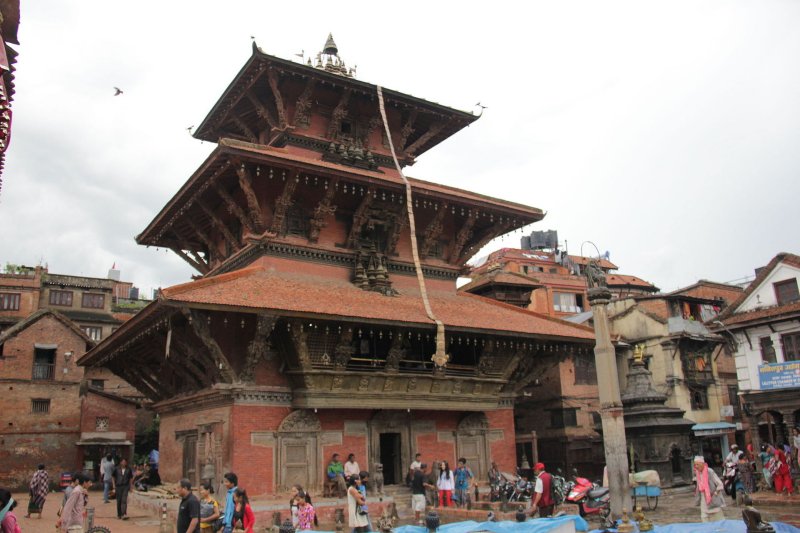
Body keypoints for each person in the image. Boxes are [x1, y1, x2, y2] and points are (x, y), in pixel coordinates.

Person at [693, 456, 725, 522]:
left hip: (712, 499)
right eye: (695, 464)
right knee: (704, 519)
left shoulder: (709, 471)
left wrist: (715, 493)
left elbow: (720, 484)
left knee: (718, 522)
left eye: (697, 464)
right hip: (703, 500)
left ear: (702, 464)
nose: (696, 466)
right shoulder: (697, 473)